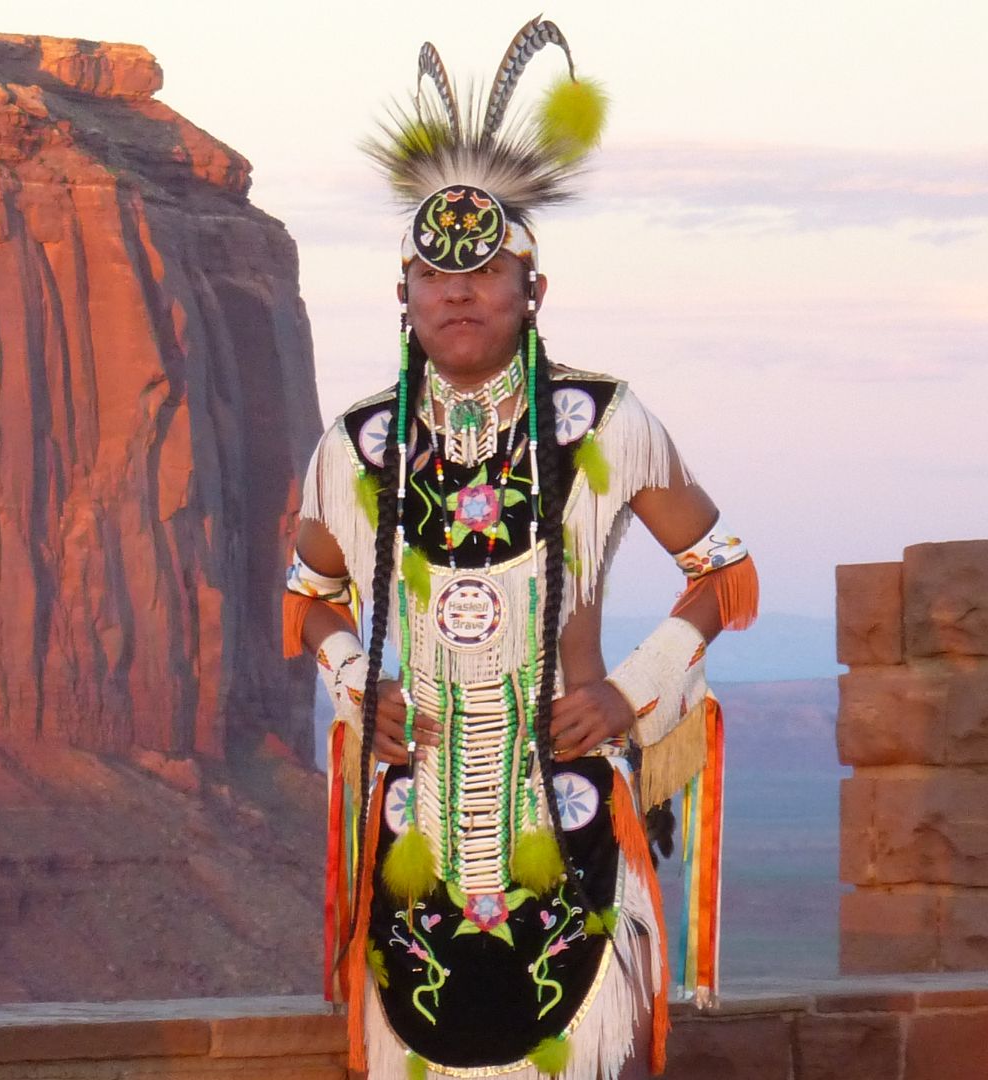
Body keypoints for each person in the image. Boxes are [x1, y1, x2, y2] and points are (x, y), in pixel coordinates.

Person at [283, 19, 757, 1080]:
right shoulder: (357, 446)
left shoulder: (604, 422)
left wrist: (630, 692)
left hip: (566, 808)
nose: (457, 292)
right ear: (403, 294)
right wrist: (360, 684)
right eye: (433, 274)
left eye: (486, 269)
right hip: (417, 839)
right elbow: (309, 592)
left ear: (532, 289)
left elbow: (722, 573)